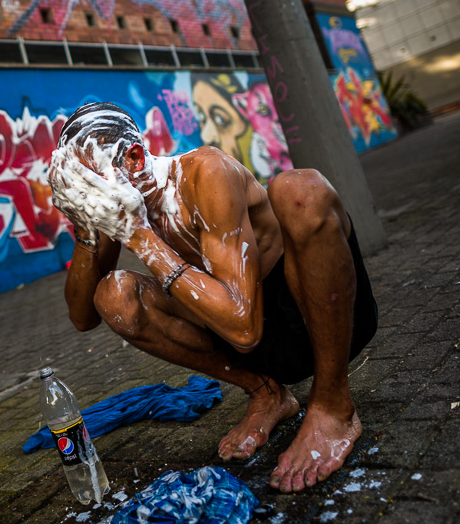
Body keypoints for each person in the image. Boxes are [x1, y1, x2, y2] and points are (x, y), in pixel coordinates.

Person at [48, 102, 377, 493]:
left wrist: (141, 238)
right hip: (250, 348)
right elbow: (83, 316)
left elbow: (244, 327)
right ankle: (266, 393)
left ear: (135, 157)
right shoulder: (112, 204)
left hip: (320, 320)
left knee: (298, 190)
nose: (95, 197)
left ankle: (332, 404)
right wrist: (87, 225)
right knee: (115, 296)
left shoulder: (204, 172)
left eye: (94, 185)